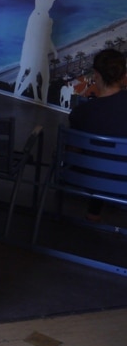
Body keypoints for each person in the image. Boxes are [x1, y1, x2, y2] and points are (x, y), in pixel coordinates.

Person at [68, 48, 127, 220]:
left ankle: (93, 212)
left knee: (98, 155)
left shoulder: (81, 112)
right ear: (123, 76)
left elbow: (74, 151)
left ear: (96, 75)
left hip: (88, 178)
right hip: (124, 178)